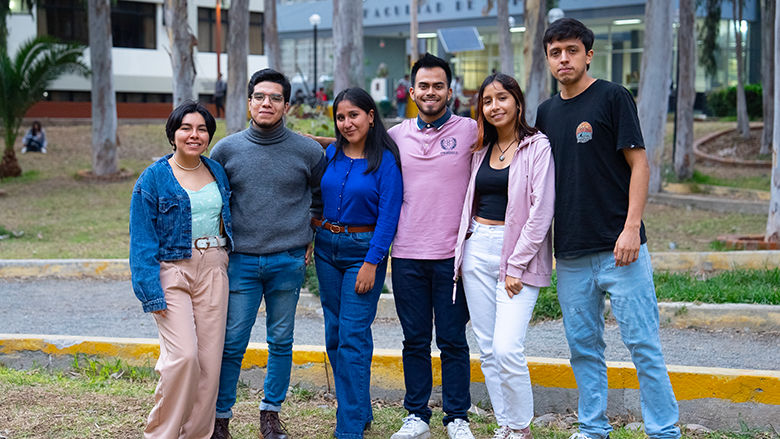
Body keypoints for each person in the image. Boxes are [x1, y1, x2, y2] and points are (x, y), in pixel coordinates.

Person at [535, 18, 681, 439]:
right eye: (556, 52)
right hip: (573, 252)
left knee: (644, 346)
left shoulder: (613, 97)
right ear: (548, 59)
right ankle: (593, 428)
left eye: (571, 51)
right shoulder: (546, 112)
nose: (564, 59)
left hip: (622, 249)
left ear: (588, 54)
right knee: (583, 348)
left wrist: (631, 228)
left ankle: (664, 430)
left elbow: (640, 164)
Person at [209, 68, 326, 439]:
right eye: (259, 96)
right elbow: (215, 203)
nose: (266, 103)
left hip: (287, 260)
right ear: (248, 102)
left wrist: (306, 238)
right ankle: (220, 418)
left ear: (287, 105)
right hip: (241, 260)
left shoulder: (308, 150)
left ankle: (270, 415)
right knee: (231, 343)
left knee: (281, 341)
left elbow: (319, 200)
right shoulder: (225, 150)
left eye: (275, 97)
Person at [453, 74, 555, 439]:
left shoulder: (537, 147)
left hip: (518, 255)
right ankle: (505, 426)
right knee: (488, 348)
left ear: (518, 103)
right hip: (477, 247)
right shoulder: (481, 150)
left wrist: (515, 264)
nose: (494, 106)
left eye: (502, 98)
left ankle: (521, 427)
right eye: (487, 101)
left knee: (508, 347)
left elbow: (542, 210)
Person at [129, 100, 233, 439]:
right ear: (173, 134)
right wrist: (149, 290)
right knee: (184, 358)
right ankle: (162, 434)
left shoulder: (216, 171)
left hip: (215, 266)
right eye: (186, 128)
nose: (194, 135)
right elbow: (142, 240)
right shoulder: (154, 178)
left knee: (209, 365)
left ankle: (196, 435)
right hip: (173, 270)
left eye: (202, 129)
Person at [388, 53, 477, 439]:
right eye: (423, 86)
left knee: (454, 340)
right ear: (412, 91)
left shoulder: (472, 130)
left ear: (450, 91)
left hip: (453, 257)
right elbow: (353, 144)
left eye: (438, 85)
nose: (430, 92)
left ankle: (457, 417)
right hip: (406, 254)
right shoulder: (395, 136)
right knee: (415, 340)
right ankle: (417, 416)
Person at [314, 87, 403, 439]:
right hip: (326, 248)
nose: (347, 123)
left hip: (362, 252)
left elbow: (389, 217)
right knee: (335, 334)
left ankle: (348, 428)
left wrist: (371, 262)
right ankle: (360, 409)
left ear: (370, 116)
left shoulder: (385, 162)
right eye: (341, 117)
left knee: (352, 336)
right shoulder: (332, 153)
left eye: (354, 115)